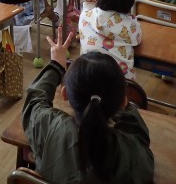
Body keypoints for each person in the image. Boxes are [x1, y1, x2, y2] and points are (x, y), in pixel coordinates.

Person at [22, 29, 154, 184]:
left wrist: (56, 65)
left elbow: (33, 102)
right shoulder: (133, 152)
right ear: (123, 102)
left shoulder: (51, 126)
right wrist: (124, 107)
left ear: (65, 94)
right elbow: (139, 137)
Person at [79, 0, 141, 80]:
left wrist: (89, 3)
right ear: (130, 3)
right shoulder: (131, 26)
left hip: (88, 80)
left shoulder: (85, 16)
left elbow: (87, 10)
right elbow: (137, 40)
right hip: (121, 84)